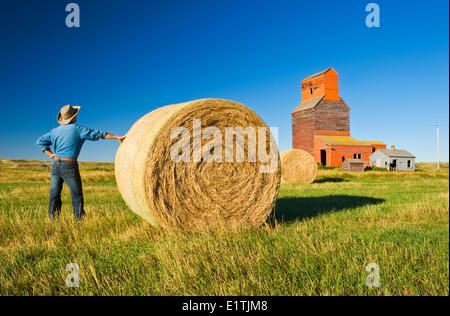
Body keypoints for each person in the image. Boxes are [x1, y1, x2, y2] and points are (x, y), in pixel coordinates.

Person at [36, 105, 125, 220]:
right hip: (69, 165)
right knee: (76, 194)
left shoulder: (54, 131)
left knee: (55, 193)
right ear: (73, 117)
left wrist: (51, 154)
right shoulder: (78, 129)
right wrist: (116, 137)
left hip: (55, 165)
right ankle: (79, 219)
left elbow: (40, 141)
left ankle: (53, 219)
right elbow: (97, 134)